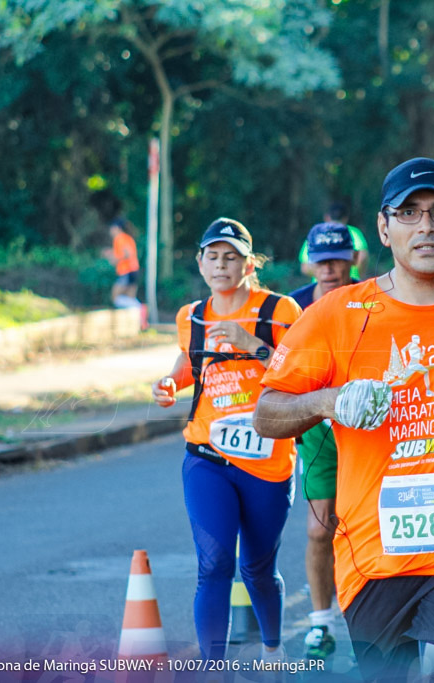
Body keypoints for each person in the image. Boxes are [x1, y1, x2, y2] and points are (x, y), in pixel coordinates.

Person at [254, 157, 434, 681]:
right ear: (384, 228)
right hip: (373, 558)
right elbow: (267, 414)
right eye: (409, 213)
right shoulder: (336, 315)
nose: (427, 227)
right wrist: (327, 401)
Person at [149, 218, 301, 662]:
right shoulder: (192, 316)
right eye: (212, 256)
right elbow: (189, 363)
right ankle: (212, 666)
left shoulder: (279, 311)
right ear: (200, 263)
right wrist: (167, 383)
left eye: (231, 256)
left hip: (267, 461)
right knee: (214, 565)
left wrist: (248, 342)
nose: (221, 265)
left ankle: (273, 651)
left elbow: (300, 375)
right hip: (207, 456)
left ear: (248, 264)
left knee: (257, 569)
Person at [286, 222, 359, 660]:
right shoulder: (294, 306)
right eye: (322, 259)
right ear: (310, 260)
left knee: (368, 525)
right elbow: (274, 363)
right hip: (315, 426)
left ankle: (373, 618)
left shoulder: (374, 298)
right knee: (319, 529)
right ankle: (320, 623)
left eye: (337, 258)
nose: (329, 268)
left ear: (353, 259)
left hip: (364, 427)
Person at [299, 202, 370, 279]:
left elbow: (305, 267)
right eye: (322, 262)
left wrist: (323, 276)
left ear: (327, 217)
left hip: (324, 288)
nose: (328, 269)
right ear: (345, 218)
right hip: (351, 285)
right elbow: (362, 257)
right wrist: (358, 276)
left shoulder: (317, 234)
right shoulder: (353, 232)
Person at [104, 218, 141, 308]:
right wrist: (112, 255)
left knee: (115, 297)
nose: (110, 231)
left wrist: (115, 259)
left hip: (126, 271)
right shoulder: (126, 237)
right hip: (134, 270)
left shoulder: (119, 238)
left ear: (117, 228)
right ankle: (139, 313)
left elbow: (128, 253)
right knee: (130, 298)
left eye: (111, 228)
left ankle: (140, 308)